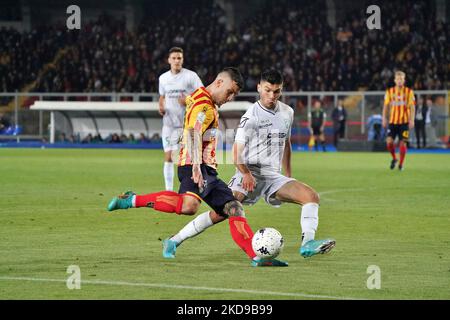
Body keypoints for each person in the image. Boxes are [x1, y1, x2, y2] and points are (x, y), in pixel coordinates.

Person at [107, 68, 286, 267]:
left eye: (234, 94)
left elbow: (191, 109)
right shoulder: (203, 104)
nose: (231, 98)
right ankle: (131, 200)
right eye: (229, 92)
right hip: (194, 164)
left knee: (234, 208)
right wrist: (195, 166)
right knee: (189, 206)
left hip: (207, 168)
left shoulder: (201, 98)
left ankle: (256, 256)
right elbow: (194, 131)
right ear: (219, 82)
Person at [160, 70, 335, 261]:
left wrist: (288, 175)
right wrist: (245, 173)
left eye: (276, 92)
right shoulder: (251, 116)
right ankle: (174, 240)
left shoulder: (288, 113)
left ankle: (307, 243)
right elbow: (235, 153)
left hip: (273, 176)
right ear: (259, 88)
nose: (271, 96)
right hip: (249, 173)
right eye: (267, 90)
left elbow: (286, 143)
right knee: (221, 213)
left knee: (311, 197)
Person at [158, 47, 203, 191]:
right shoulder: (163, 78)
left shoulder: (191, 76)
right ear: (169, 60)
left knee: (186, 159)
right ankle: (169, 190)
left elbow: (203, 95)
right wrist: (160, 106)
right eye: (174, 58)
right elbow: (162, 96)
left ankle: (192, 187)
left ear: (182, 60)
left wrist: (188, 100)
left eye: (179, 58)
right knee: (169, 156)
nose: (177, 61)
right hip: (169, 125)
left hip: (186, 126)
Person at [382, 71, 415, 171]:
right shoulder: (389, 92)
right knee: (389, 142)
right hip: (392, 122)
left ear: (404, 80)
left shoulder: (409, 92)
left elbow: (412, 107)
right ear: (395, 80)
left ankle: (401, 164)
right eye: (398, 79)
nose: (399, 80)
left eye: (401, 79)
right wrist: (384, 118)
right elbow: (386, 106)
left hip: (404, 122)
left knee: (403, 143)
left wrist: (412, 120)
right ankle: (394, 158)